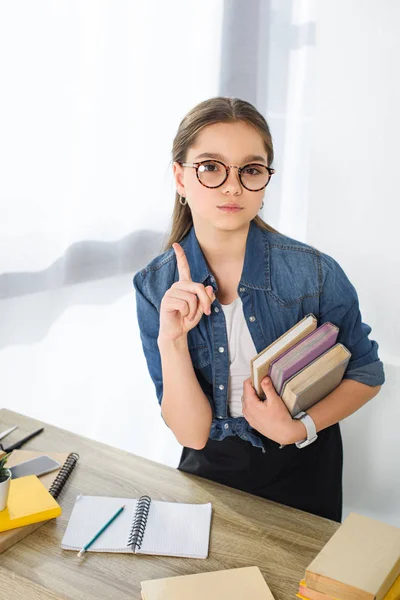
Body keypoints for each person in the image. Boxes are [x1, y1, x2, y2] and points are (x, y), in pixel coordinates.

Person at [132, 97, 385, 522]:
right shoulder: (154, 286)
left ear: (264, 181)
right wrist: (172, 340)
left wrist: (296, 428)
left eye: (250, 170)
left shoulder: (314, 272)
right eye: (210, 167)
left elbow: (366, 373)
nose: (232, 186)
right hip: (208, 469)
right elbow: (192, 434)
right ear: (179, 177)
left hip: (304, 465)